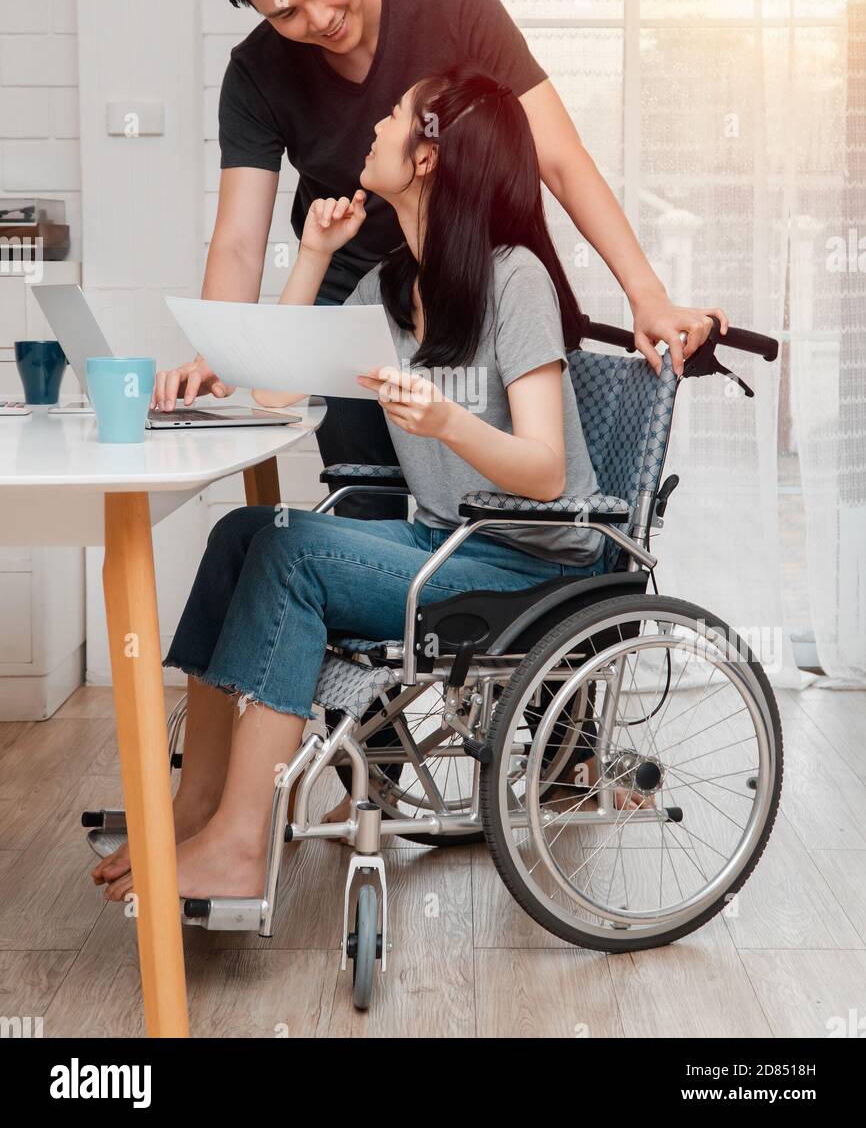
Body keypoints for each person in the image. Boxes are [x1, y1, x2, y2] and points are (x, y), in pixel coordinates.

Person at [93, 66, 650, 903]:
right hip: (443, 542)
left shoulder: (515, 279)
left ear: (428, 156)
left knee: (294, 557)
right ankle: (197, 806)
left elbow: (545, 470)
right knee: (240, 536)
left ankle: (242, 844)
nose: (377, 124)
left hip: (529, 566)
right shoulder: (393, 286)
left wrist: (447, 422)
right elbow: (276, 389)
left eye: (396, 116)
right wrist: (313, 253)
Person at [151, 0, 728, 519]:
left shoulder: (454, 5)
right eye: (286, 14)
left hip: (473, 294)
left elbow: (557, 158)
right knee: (365, 502)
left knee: (493, 486)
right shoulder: (256, 73)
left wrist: (646, 295)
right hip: (363, 299)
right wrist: (222, 348)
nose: (317, 19)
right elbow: (239, 237)